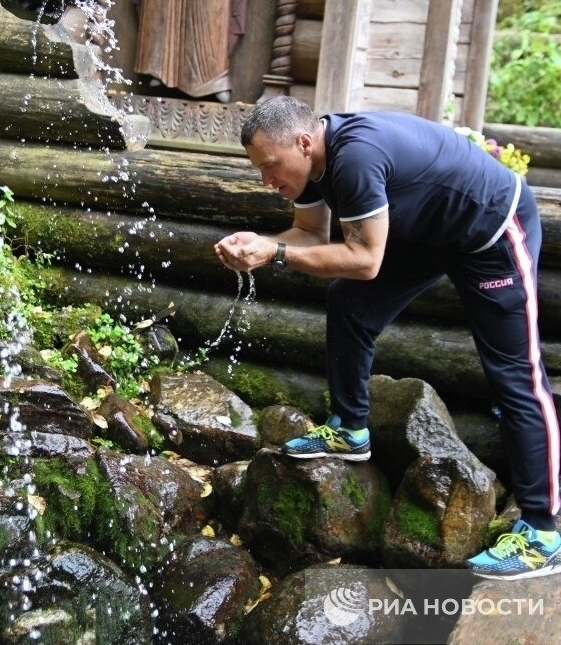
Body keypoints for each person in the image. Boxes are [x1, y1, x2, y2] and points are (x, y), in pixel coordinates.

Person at [214, 96, 560, 580]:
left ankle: (542, 534)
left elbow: (365, 260)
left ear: (304, 143)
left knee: (515, 374)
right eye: (259, 169)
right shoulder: (313, 165)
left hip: (492, 230)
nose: (265, 180)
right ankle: (350, 428)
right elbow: (309, 234)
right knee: (349, 302)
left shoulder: (355, 158)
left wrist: (276, 254)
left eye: (270, 166)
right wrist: (260, 243)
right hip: (429, 233)